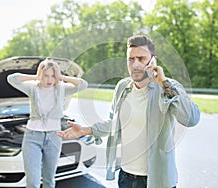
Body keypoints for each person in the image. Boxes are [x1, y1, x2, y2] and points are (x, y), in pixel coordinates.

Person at [57, 35, 200, 188]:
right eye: (131, 59)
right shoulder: (122, 87)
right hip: (126, 177)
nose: (135, 64)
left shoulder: (168, 86)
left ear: (153, 60)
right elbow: (115, 124)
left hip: (157, 180)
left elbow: (191, 118)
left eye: (141, 58)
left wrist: (163, 83)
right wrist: (86, 130)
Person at [7, 59, 88, 188]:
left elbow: (83, 85)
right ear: (41, 75)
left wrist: (62, 77)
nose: (49, 79)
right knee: (33, 182)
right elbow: (12, 79)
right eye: (46, 75)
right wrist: (36, 77)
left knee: (49, 181)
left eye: (53, 76)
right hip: (32, 137)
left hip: (54, 137)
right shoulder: (32, 87)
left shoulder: (62, 89)